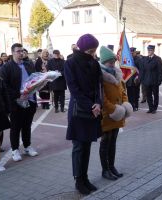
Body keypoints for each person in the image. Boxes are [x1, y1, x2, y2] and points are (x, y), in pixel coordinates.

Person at [64, 34, 102, 195]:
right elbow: (74, 89)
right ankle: (78, 180)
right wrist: (91, 106)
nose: (93, 54)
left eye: (94, 51)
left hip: (93, 108)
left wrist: (98, 102)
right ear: (82, 49)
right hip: (78, 110)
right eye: (90, 51)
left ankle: (85, 177)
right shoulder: (70, 63)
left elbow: (99, 85)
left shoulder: (94, 63)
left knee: (87, 145)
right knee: (79, 146)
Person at [0, 43, 38, 162]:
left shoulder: (29, 64)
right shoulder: (7, 67)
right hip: (16, 102)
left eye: (22, 51)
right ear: (12, 53)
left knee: (27, 125)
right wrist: (18, 94)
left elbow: (35, 78)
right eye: (18, 51)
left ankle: (27, 146)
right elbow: (4, 85)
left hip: (30, 100)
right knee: (16, 127)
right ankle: (15, 150)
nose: (21, 53)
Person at [98, 46, 132, 180]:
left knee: (113, 141)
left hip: (119, 112)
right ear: (104, 62)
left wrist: (125, 103)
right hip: (108, 114)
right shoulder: (100, 76)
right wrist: (113, 109)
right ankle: (105, 170)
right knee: (105, 142)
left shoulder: (117, 73)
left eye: (113, 61)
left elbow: (123, 91)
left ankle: (112, 166)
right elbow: (102, 97)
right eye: (110, 62)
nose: (112, 63)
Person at [140, 45, 162, 114]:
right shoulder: (145, 59)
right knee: (148, 95)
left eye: (150, 50)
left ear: (153, 51)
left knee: (155, 95)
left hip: (154, 81)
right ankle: (150, 108)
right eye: (148, 50)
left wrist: (159, 80)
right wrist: (142, 79)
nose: (149, 52)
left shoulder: (157, 59)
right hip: (146, 81)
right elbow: (142, 70)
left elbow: (161, 70)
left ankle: (154, 108)